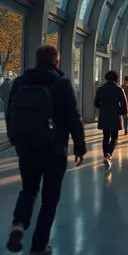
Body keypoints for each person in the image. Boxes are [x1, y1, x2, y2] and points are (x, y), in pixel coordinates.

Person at [5, 45, 86, 254]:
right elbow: (73, 117)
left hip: (27, 147)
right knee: (49, 200)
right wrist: (80, 146)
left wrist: (16, 137)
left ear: (36, 59)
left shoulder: (21, 81)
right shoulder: (61, 83)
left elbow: (9, 111)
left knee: (29, 190)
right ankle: (39, 246)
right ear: (56, 61)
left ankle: (18, 225)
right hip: (55, 149)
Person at [94, 71, 128, 169]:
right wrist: (121, 112)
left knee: (105, 136)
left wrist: (104, 107)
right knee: (114, 137)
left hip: (104, 115)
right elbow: (124, 105)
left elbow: (96, 103)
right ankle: (108, 155)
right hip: (115, 116)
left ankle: (106, 157)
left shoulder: (100, 89)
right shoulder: (119, 89)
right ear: (116, 78)